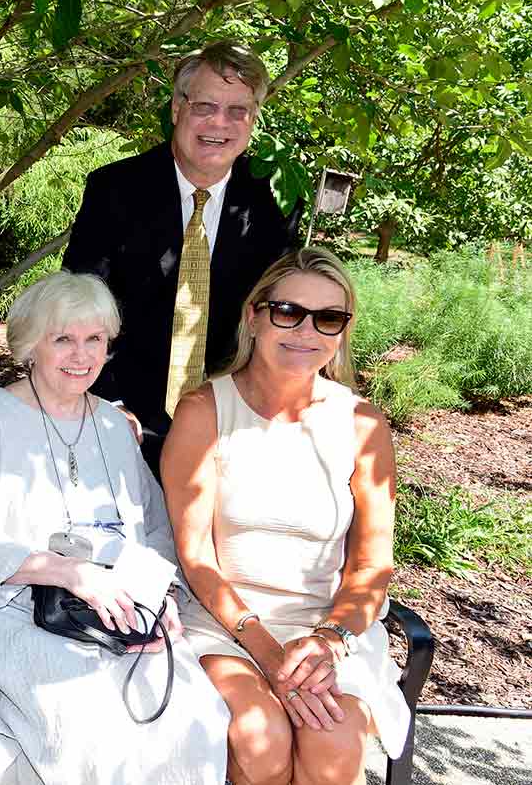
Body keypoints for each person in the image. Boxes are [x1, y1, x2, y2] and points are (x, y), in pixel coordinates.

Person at [0, 270, 230, 785]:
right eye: (63, 339)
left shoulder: (113, 425)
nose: (82, 355)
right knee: (89, 719)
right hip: (21, 612)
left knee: (198, 717)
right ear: (31, 345)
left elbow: (156, 529)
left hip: (121, 610)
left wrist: (159, 597)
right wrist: (67, 573)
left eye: (94, 339)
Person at [162, 248, 411, 785]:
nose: (306, 331)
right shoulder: (204, 412)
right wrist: (270, 655)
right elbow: (197, 558)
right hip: (228, 624)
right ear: (254, 315)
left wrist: (327, 640)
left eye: (328, 318)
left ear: (343, 330)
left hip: (332, 628)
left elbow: (372, 565)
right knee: (261, 738)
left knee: (334, 739)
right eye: (287, 311)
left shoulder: (363, 425)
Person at [62, 40, 299, 476]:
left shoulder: (274, 206)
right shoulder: (114, 191)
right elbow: (77, 307)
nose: (219, 124)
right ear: (176, 108)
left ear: (254, 119)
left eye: (237, 111)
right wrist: (107, 403)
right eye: (205, 106)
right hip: (121, 417)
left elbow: (282, 321)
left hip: (233, 425)